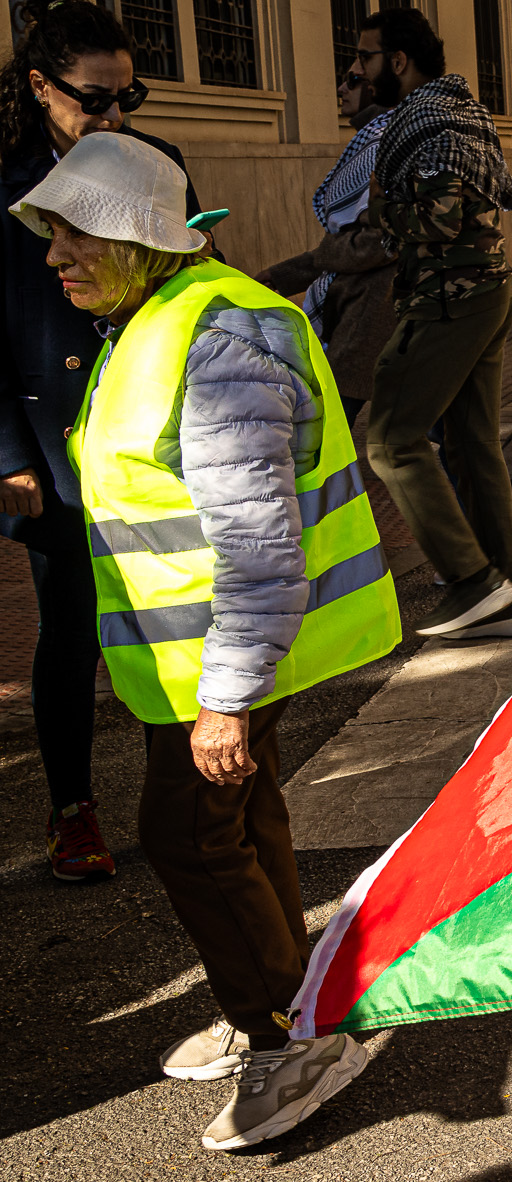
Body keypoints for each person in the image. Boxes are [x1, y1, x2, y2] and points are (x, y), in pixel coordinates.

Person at [12, 132, 403, 1147]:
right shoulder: (157, 321)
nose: (53, 256)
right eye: (49, 235)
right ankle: (282, 1006)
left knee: (187, 835)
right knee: (240, 820)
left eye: (72, 234)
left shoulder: (215, 337)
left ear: (139, 239)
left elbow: (260, 543)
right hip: (198, 659)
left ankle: (292, 1035)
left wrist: (225, 696)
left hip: (224, 658)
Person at [0, 0, 198, 881]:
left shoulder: (163, 167)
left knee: (173, 612)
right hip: (52, 442)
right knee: (71, 631)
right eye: (94, 99)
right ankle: (73, 809)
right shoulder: (3, 183)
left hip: (152, 427)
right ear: (42, 88)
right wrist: (8, 456)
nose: (115, 118)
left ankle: (189, 792)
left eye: (130, 98)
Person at [352, 7, 512, 640]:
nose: (357, 68)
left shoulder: (430, 127)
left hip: (449, 299)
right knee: (471, 445)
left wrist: (380, 207)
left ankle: (473, 582)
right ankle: (506, 594)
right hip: (483, 290)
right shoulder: (458, 113)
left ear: (398, 61)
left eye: (366, 57)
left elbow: (438, 222)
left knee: (390, 441)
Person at [254, 72, 397, 426]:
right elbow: (352, 238)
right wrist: (284, 274)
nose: (341, 89)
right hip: (362, 308)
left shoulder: (388, 143)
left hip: (374, 310)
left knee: (345, 430)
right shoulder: (370, 140)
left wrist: (307, 265)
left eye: (354, 77)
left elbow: (379, 242)